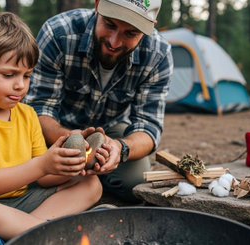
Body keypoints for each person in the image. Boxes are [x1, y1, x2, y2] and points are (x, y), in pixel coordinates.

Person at [0, 12, 102, 245]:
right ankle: (56, 233)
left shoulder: (27, 114)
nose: (20, 85)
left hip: (20, 202)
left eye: (27, 76)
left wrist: (69, 164)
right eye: (9, 74)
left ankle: (17, 236)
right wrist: (42, 164)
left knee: (90, 184)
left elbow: (43, 179)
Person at [24, 0, 173, 203]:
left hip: (112, 131)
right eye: (110, 24)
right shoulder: (58, 33)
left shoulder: (158, 53)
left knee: (136, 181)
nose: (114, 42)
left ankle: (90, 187)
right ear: (97, 5)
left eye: (130, 33)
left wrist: (120, 149)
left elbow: (148, 127)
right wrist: (72, 140)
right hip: (53, 132)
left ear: (151, 25)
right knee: (28, 172)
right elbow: (40, 108)